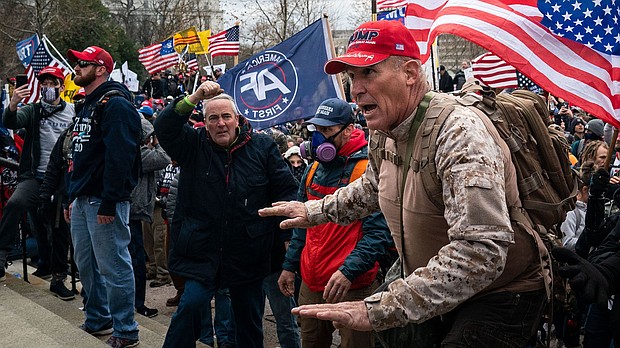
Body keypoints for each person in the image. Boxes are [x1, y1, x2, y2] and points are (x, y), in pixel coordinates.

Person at [259, 20, 548, 347]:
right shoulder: (384, 132)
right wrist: (315, 211)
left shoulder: (460, 135)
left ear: (410, 73)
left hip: (499, 291)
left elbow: (481, 252)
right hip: (432, 281)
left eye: (368, 73)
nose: (355, 89)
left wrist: (379, 309)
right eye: (351, 76)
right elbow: (371, 188)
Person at [154, 84, 299, 348]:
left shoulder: (262, 147)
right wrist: (194, 97)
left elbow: (286, 192)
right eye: (213, 118)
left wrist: (287, 235)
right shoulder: (192, 145)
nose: (220, 124)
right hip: (202, 251)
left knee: (249, 321)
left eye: (226, 117)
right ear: (205, 123)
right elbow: (164, 126)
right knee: (190, 307)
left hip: (249, 252)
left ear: (237, 119)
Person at [280, 98, 392, 348]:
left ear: (349, 129)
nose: (320, 137)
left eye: (327, 131)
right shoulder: (312, 170)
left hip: (352, 283)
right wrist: (290, 266)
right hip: (312, 280)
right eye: (317, 131)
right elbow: (302, 224)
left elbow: (378, 234)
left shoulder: (366, 170)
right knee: (311, 342)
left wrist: (347, 272)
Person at [65, 46, 141, 348]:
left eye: (83, 63)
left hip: (104, 200)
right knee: (85, 264)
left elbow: (120, 157)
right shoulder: (87, 104)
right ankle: (98, 317)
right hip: (84, 199)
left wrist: (110, 200)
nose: (76, 68)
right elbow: (79, 157)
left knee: (114, 266)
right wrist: (74, 197)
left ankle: (126, 329)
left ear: (100, 69)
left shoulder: (116, 105)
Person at [0, 66, 74, 301]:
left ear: (62, 87)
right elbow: (12, 121)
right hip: (35, 176)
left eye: (53, 84)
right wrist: (13, 104)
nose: (48, 88)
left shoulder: (73, 112)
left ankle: (59, 277)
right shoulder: (33, 110)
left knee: (60, 229)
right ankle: (1, 255)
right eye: (45, 84)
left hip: (60, 180)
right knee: (16, 203)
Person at [127, 117, 170, 319]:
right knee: (135, 260)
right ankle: (138, 303)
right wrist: (157, 141)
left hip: (134, 210)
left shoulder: (131, 150)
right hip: (133, 211)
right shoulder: (139, 153)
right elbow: (164, 158)